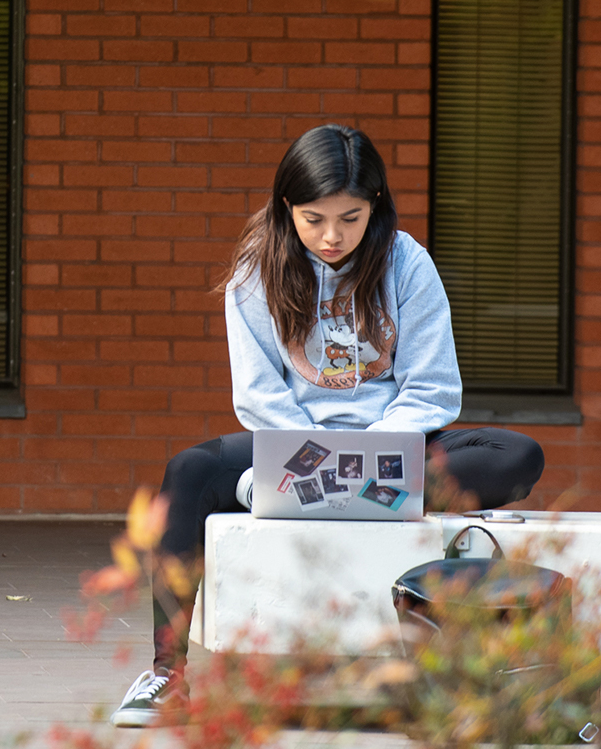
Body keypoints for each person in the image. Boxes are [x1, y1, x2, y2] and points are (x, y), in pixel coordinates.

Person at [110, 124, 546, 728]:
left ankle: (294, 495)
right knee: (187, 471)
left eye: (350, 217)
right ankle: (166, 674)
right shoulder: (255, 269)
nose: (332, 236)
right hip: (296, 446)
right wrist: (315, 457)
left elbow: (432, 388)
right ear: (287, 207)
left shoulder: (406, 263)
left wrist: (369, 455)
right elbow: (259, 396)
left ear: (376, 208)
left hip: (394, 445)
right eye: (313, 219)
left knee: (515, 455)